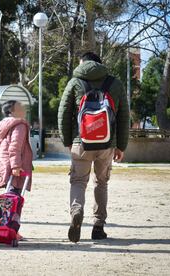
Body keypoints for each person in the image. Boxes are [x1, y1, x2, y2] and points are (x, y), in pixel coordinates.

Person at [58, 52, 129, 243]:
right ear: (99, 63)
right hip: (107, 144)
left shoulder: (75, 82)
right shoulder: (115, 83)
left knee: (78, 181)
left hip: (81, 142)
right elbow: (124, 116)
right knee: (101, 183)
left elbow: (64, 112)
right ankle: (98, 227)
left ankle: (76, 210)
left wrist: (67, 140)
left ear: (83, 63)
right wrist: (121, 145)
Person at [0, 100, 33, 239]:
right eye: (20, 106)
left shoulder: (3, 124)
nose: (24, 108)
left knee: (10, 198)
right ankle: (10, 229)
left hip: (3, 162)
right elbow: (15, 146)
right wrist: (16, 165)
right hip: (13, 164)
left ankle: (8, 228)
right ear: (13, 111)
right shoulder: (19, 124)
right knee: (15, 200)